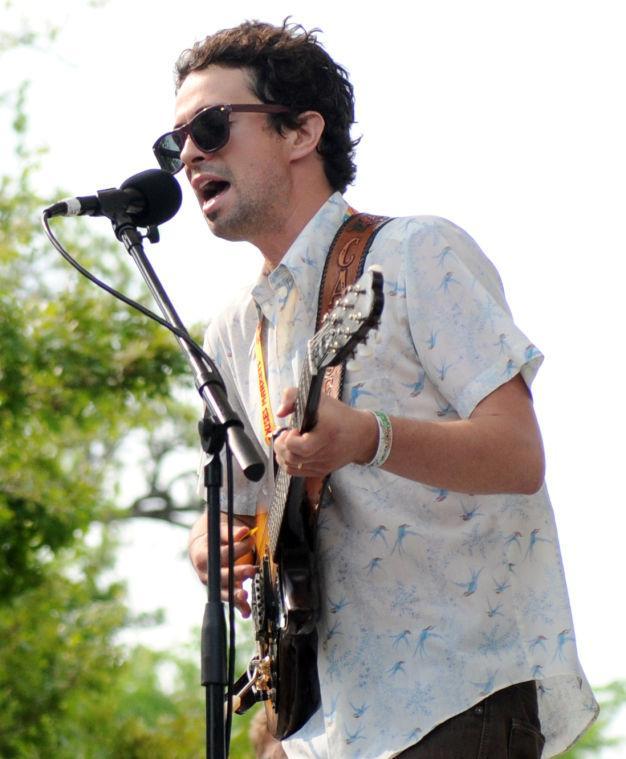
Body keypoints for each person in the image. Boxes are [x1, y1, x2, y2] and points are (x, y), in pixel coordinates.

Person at [155, 19, 598, 758]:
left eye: (212, 126)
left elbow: (518, 455)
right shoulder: (238, 326)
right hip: (315, 721)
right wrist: (211, 544)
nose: (191, 154)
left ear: (301, 132)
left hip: (455, 697)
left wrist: (369, 435)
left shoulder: (415, 253)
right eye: (176, 144)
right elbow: (236, 504)